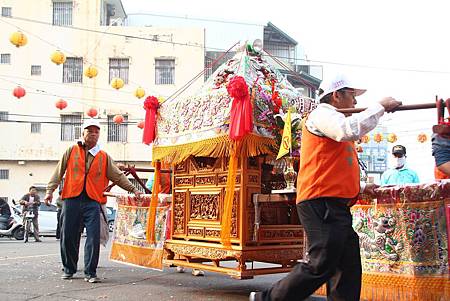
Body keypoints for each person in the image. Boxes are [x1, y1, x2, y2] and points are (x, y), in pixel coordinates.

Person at [250, 74, 401, 301]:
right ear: (336, 96)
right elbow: (347, 130)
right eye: (352, 96)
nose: (355, 102)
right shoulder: (323, 114)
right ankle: (267, 299)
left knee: (347, 264)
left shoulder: (333, 119)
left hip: (331, 202)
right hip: (320, 201)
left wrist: (359, 187)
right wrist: (380, 107)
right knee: (322, 261)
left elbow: (333, 168)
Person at [44, 118, 142, 283]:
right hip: (71, 199)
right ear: (83, 133)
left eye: (96, 131)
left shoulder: (103, 156)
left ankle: (90, 272)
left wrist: (133, 189)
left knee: (94, 236)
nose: (93, 134)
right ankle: (69, 268)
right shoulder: (71, 150)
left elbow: (117, 176)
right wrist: (49, 191)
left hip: (93, 200)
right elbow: (58, 171)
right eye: (90, 131)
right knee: (68, 235)